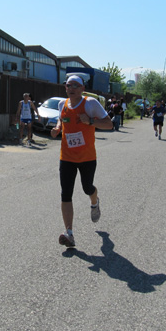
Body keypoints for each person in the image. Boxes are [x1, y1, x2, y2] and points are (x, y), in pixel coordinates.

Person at [50, 75, 113, 247]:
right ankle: (69, 233)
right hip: (67, 157)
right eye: (68, 85)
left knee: (87, 188)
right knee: (66, 193)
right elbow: (61, 120)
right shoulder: (62, 104)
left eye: (76, 85)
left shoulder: (90, 103)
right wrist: (57, 129)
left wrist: (91, 121)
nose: (71, 88)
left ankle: (95, 202)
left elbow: (109, 125)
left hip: (87, 157)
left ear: (83, 88)